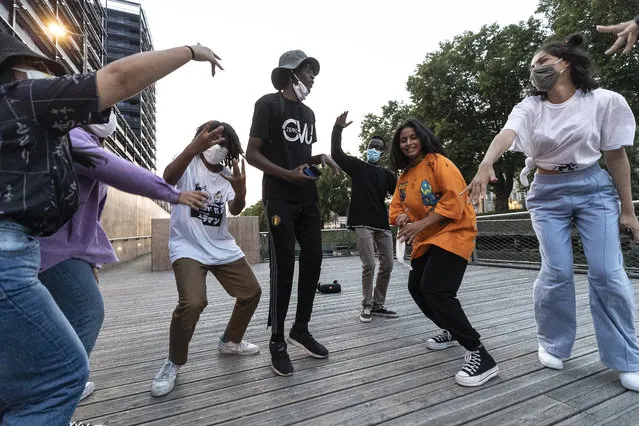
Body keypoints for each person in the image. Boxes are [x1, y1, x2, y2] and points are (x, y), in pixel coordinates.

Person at [0, 31, 222, 425]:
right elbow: (118, 83)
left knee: (50, 348)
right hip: (23, 254)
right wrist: (190, 51)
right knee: (63, 371)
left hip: (44, 251)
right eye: (31, 70)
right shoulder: (31, 108)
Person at [464, 34, 639, 391]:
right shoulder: (530, 107)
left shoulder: (604, 101)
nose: (536, 70)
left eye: (542, 62)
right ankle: (554, 342)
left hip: (594, 188)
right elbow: (507, 133)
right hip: (547, 193)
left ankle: (627, 357)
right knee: (557, 270)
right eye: (533, 67)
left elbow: (615, 156)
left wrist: (628, 210)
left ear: (566, 64)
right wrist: (485, 163)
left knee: (607, 272)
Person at [37, 114, 209, 402]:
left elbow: (88, 213)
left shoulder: (83, 139)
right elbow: (117, 170)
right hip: (50, 247)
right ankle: (56, 390)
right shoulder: (75, 138)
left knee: (63, 318)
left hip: (68, 249)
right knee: (86, 312)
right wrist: (174, 194)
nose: (109, 113)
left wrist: (91, 258)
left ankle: (57, 383)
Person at [246, 50, 340, 377]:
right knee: (283, 266)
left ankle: (300, 328)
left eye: (314, 72)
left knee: (313, 258)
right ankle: (276, 340)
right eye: (308, 71)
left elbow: (300, 155)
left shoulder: (310, 114)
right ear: (291, 74)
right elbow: (252, 154)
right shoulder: (267, 105)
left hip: (307, 197)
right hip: (279, 198)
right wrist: (286, 174)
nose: (313, 77)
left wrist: (321, 158)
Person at [150, 120, 262, 397]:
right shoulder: (188, 161)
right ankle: (173, 362)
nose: (219, 146)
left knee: (251, 292)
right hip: (187, 246)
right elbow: (166, 179)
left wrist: (242, 189)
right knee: (193, 302)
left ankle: (230, 341)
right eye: (214, 139)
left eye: (224, 143)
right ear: (201, 138)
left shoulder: (226, 174)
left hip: (221, 246)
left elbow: (235, 208)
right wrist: (192, 148)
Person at [388, 118, 499, 387]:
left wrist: (419, 225)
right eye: (403, 140)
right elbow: (394, 209)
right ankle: (451, 330)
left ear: (422, 137)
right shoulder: (403, 178)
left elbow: (455, 200)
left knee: (436, 289)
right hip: (426, 240)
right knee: (417, 287)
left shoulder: (438, 162)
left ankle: (480, 355)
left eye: (413, 137)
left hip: (455, 232)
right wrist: (402, 218)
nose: (408, 143)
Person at [331, 111, 398, 323]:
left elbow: (401, 194)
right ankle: (366, 305)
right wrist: (337, 129)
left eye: (378, 147)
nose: (374, 150)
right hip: (362, 223)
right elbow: (337, 154)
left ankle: (378, 304)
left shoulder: (387, 175)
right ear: (366, 148)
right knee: (369, 264)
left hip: (382, 224)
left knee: (388, 264)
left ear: (383, 152)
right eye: (371, 146)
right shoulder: (358, 166)